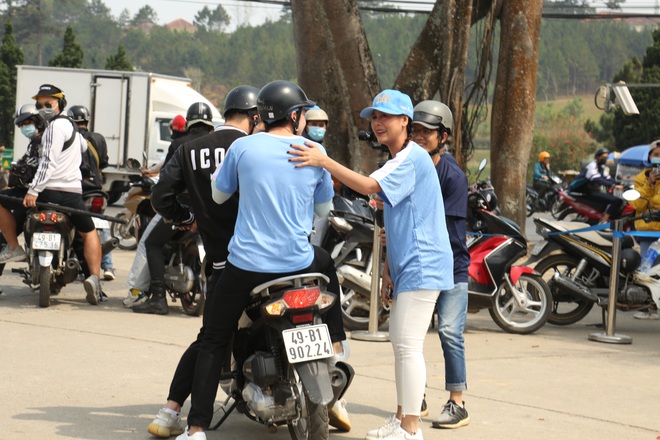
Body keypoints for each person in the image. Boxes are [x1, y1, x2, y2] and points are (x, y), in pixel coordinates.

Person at [174, 80, 349, 440]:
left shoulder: (243, 147)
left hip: (247, 267)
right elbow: (323, 209)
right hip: (300, 263)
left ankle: (195, 429)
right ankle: (335, 343)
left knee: (213, 340)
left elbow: (220, 195)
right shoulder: (312, 151)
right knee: (326, 263)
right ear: (296, 116)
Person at [290, 89, 454, 440]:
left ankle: (411, 428)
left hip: (424, 264)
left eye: (385, 117)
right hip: (409, 265)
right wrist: (388, 273)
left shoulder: (412, 157)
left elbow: (367, 185)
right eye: (374, 117)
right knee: (401, 343)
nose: (377, 123)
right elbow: (394, 227)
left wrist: (324, 162)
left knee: (408, 344)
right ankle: (401, 419)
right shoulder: (398, 160)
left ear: (405, 122)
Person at [142, 85, 260, 438]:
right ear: (255, 118)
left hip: (221, 260)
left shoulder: (189, 150)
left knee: (211, 337)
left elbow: (160, 196)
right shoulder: (254, 149)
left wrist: (187, 218)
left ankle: (172, 410)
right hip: (267, 257)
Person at [0, 84, 103, 304]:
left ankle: (13, 247)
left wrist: (34, 191)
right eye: (41, 104)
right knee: (89, 231)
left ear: (61, 104)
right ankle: (95, 279)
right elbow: (84, 152)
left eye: (49, 103)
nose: (45, 107)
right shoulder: (75, 131)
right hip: (73, 194)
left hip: (49, 193)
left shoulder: (54, 128)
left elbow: (48, 163)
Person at [411, 100, 471, 429]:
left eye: (427, 131)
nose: (419, 136)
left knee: (449, 331)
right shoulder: (407, 165)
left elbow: (439, 228)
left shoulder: (452, 176)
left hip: (451, 267)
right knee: (413, 334)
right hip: (419, 266)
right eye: (415, 130)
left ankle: (457, 403)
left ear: (443, 136)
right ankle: (414, 395)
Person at [132, 102, 215, 315]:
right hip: (211, 211)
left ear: (188, 123)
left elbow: (168, 181)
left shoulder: (179, 144)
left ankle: (158, 297)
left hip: (184, 208)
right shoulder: (217, 144)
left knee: (152, 243)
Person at [67, 104, 116, 281]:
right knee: (99, 227)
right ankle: (108, 266)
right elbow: (102, 164)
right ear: (87, 120)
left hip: (74, 189)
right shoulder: (99, 138)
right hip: (95, 190)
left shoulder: (68, 138)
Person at [0, 104, 46, 276]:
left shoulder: (45, 141)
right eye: (21, 125)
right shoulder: (35, 143)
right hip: (31, 198)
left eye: (28, 122)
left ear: (38, 121)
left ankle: (14, 247)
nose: (24, 127)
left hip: (36, 196)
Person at [629, 140, 660, 320]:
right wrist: (649, 184)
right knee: (645, 270)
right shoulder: (640, 178)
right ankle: (647, 307)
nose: (658, 158)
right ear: (649, 157)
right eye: (656, 155)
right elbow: (637, 204)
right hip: (646, 233)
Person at [570, 147, 624, 224]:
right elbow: (597, 179)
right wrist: (613, 186)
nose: (605, 159)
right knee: (616, 200)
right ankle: (603, 222)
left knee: (614, 198)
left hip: (593, 190)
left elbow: (608, 178)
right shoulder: (592, 165)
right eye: (603, 157)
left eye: (606, 158)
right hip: (586, 191)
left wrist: (621, 183)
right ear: (598, 157)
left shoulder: (601, 168)